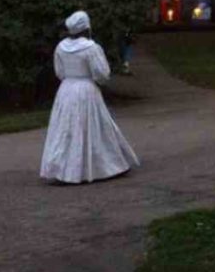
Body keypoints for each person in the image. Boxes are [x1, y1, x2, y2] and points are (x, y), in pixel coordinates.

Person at [39, 11, 140, 183]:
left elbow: (59, 71)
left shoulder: (61, 47)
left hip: (66, 90)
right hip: (86, 90)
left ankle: (64, 169)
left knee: (66, 129)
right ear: (86, 27)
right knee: (94, 127)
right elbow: (101, 74)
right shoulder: (91, 48)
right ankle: (105, 165)